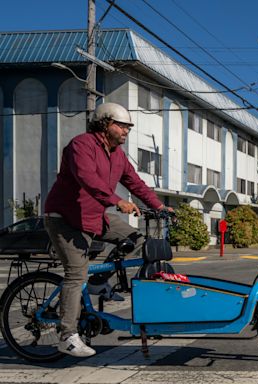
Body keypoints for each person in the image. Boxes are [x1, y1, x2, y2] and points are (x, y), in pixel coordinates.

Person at [44, 102, 173, 357]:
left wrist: (160, 206)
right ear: (104, 124)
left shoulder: (118, 155)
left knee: (137, 239)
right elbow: (87, 178)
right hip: (65, 218)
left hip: (94, 216)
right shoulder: (81, 145)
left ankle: (99, 281)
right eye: (121, 125)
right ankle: (67, 336)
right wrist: (117, 201)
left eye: (128, 127)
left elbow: (135, 183)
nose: (126, 131)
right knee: (75, 274)